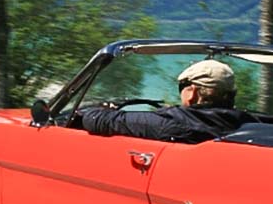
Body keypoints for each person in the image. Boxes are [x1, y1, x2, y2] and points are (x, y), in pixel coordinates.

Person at [79, 59, 255, 143]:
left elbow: (98, 121)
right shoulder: (248, 124)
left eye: (182, 87)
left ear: (192, 93)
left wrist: (101, 109)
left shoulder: (171, 124)